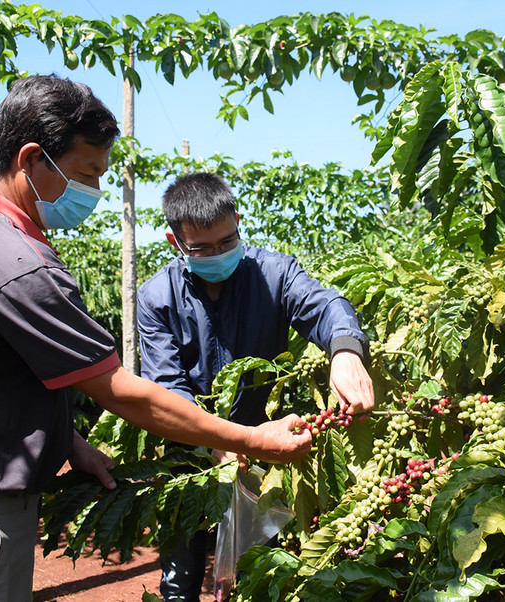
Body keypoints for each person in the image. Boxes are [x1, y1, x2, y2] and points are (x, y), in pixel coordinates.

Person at [0, 75, 311, 602]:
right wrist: (250, 438)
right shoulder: (17, 263)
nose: (93, 192)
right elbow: (118, 390)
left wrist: (68, 442)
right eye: (86, 173)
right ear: (31, 159)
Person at [137, 172, 375, 601]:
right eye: (202, 249)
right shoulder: (157, 298)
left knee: (253, 570)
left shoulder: (275, 274)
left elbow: (325, 306)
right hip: (187, 455)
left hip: (265, 452)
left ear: (238, 222)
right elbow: (167, 384)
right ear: (175, 243)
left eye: (227, 242)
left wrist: (344, 350)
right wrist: (215, 440)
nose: (218, 254)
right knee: (181, 571)